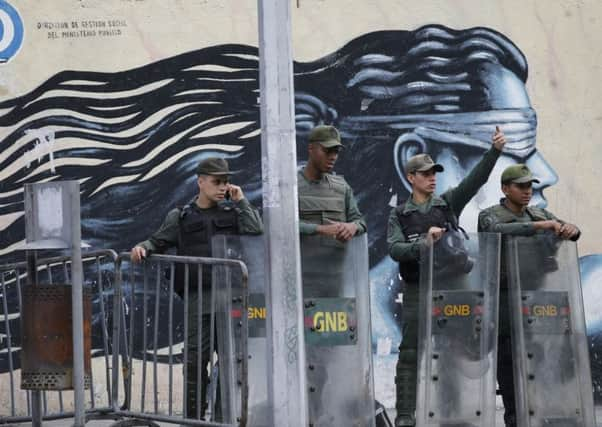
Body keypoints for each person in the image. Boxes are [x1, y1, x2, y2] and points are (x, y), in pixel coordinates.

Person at [387, 126, 506, 426]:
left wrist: (494, 152)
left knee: (454, 350)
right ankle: (404, 415)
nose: (432, 177)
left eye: (434, 173)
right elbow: (395, 249)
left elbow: (474, 180)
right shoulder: (400, 214)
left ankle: (452, 412)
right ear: (411, 177)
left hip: (453, 286)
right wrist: (422, 243)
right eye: (425, 173)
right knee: (411, 351)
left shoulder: (447, 204)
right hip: (418, 288)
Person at [130, 157, 263, 419]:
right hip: (197, 301)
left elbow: (255, 229)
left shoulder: (233, 213)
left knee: (231, 363)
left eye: (226, 181)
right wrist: (142, 248)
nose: (222, 186)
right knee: (194, 363)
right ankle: (193, 419)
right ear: (200, 182)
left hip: (230, 300)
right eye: (216, 182)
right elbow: (157, 240)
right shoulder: (180, 216)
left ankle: (223, 420)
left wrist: (241, 201)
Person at [478, 164, 579, 427]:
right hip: (504, 297)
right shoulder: (490, 215)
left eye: (529, 186)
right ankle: (514, 416)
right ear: (505, 188)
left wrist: (569, 228)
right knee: (508, 360)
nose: (527, 191)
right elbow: (496, 231)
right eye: (521, 186)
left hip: (536, 297)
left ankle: (537, 413)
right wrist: (539, 226)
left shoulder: (538, 212)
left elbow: (569, 230)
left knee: (539, 357)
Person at [297, 124, 366, 240]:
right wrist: (319, 229)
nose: (333, 157)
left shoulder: (342, 186)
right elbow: (281, 225)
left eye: (336, 151)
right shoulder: (291, 186)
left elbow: (360, 221)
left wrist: (353, 227)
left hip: (338, 258)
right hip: (301, 258)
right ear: (311, 149)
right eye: (327, 150)